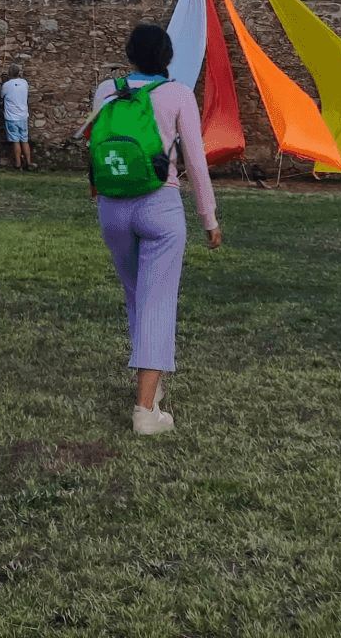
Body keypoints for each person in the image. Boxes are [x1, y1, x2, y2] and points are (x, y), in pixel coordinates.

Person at [87, 24, 221, 436]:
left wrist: (100, 197)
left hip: (113, 206)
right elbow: (196, 163)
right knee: (158, 302)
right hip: (160, 205)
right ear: (167, 56)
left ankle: (153, 384)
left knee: (137, 299)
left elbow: (94, 146)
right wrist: (209, 218)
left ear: (130, 54)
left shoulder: (106, 91)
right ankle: (146, 409)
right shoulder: (178, 94)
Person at [0, 65, 32, 171]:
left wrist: (1, 82)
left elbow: (2, 95)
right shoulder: (24, 83)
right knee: (24, 140)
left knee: (15, 141)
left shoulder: (7, 85)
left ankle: (18, 164)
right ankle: (28, 163)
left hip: (11, 116)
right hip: (23, 115)